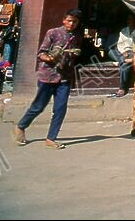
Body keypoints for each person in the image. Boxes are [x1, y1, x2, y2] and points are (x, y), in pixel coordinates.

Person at [12, 9, 83, 149]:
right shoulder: (53, 33)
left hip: (64, 77)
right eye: (69, 20)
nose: (71, 24)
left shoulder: (77, 37)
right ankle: (21, 126)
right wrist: (51, 58)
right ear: (64, 20)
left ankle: (51, 138)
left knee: (60, 108)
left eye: (75, 21)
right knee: (39, 106)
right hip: (48, 75)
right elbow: (41, 53)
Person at [108, 15, 135, 98]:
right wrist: (123, 51)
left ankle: (122, 88)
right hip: (124, 53)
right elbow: (119, 44)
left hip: (133, 52)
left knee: (124, 65)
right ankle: (122, 61)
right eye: (129, 20)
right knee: (111, 51)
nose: (130, 22)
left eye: (132, 20)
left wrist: (133, 53)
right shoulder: (124, 31)